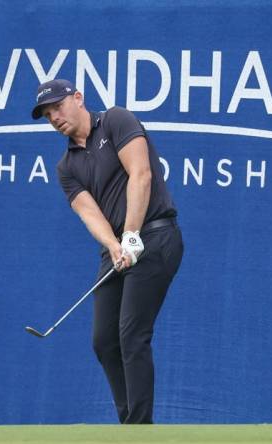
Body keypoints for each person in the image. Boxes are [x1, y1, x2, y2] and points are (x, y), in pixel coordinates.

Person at [31, 79, 183, 424]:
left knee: (131, 334)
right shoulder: (67, 166)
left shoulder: (116, 121)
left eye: (57, 106)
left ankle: (138, 429)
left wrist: (130, 235)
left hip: (156, 237)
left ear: (78, 98)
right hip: (118, 248)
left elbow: (141, 175)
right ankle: (130, 422)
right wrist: (115, 245)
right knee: (104, 341)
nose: (54, 117)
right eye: (47, 114)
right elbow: (89, 213)